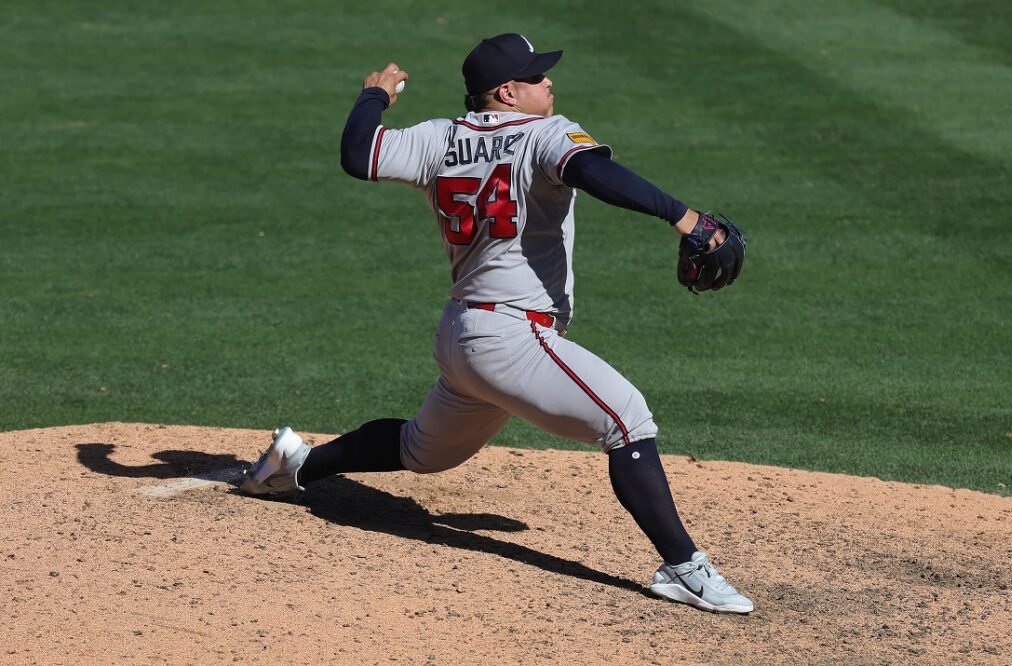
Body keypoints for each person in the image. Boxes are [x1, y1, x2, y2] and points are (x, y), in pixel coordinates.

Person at [241, 33, 752, 614]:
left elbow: (358, 155)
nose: (550, 83)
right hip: (511, 339)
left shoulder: (438, 138)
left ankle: (294, 466)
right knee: (628, 419)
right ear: (508, 92)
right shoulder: (546, 134)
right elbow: (591, 171)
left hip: (461, 336)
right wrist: (683, 217)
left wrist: (373, 97)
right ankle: (683, 567)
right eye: (538, 77)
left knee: (423, 450)